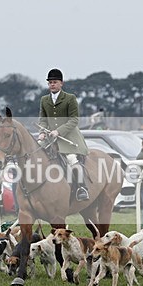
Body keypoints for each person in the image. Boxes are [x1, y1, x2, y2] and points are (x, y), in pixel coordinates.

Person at [37, 68, 90, 201]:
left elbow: (74, 120)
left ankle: (81, 188)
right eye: (50, 83)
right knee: (34, 152)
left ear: (61, 83)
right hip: (50, 138)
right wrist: (42, 131)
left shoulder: (70, 98)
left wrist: (59, 131)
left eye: (54, 82)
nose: (52, 85)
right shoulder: (44, 100)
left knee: (72, 159)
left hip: (68, 138)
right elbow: (43, 120)